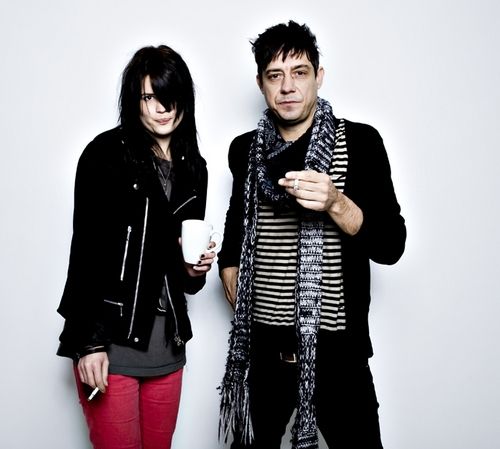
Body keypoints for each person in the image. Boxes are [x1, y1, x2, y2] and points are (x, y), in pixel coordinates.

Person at [218, 21, 406, 449]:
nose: (288, 87)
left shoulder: (360, 143)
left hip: (338, 354)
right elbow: (237, 221)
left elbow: (391, 245)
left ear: (319, 76)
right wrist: (229, 263)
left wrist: (336, 202)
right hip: (264, 349)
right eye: (275, 75)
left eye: (299, 72)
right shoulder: (244, 150)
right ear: (261, 84)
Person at [56, 45, 215, 449]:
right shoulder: (105, 155)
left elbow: (183, 276)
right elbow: (85, 254)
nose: (162, 108)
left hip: (167, 347)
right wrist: (89, 343)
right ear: (134, 100)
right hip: (111, 345)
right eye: (149, 97)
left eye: (169, 95)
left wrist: (195, 270)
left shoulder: (194, 168)